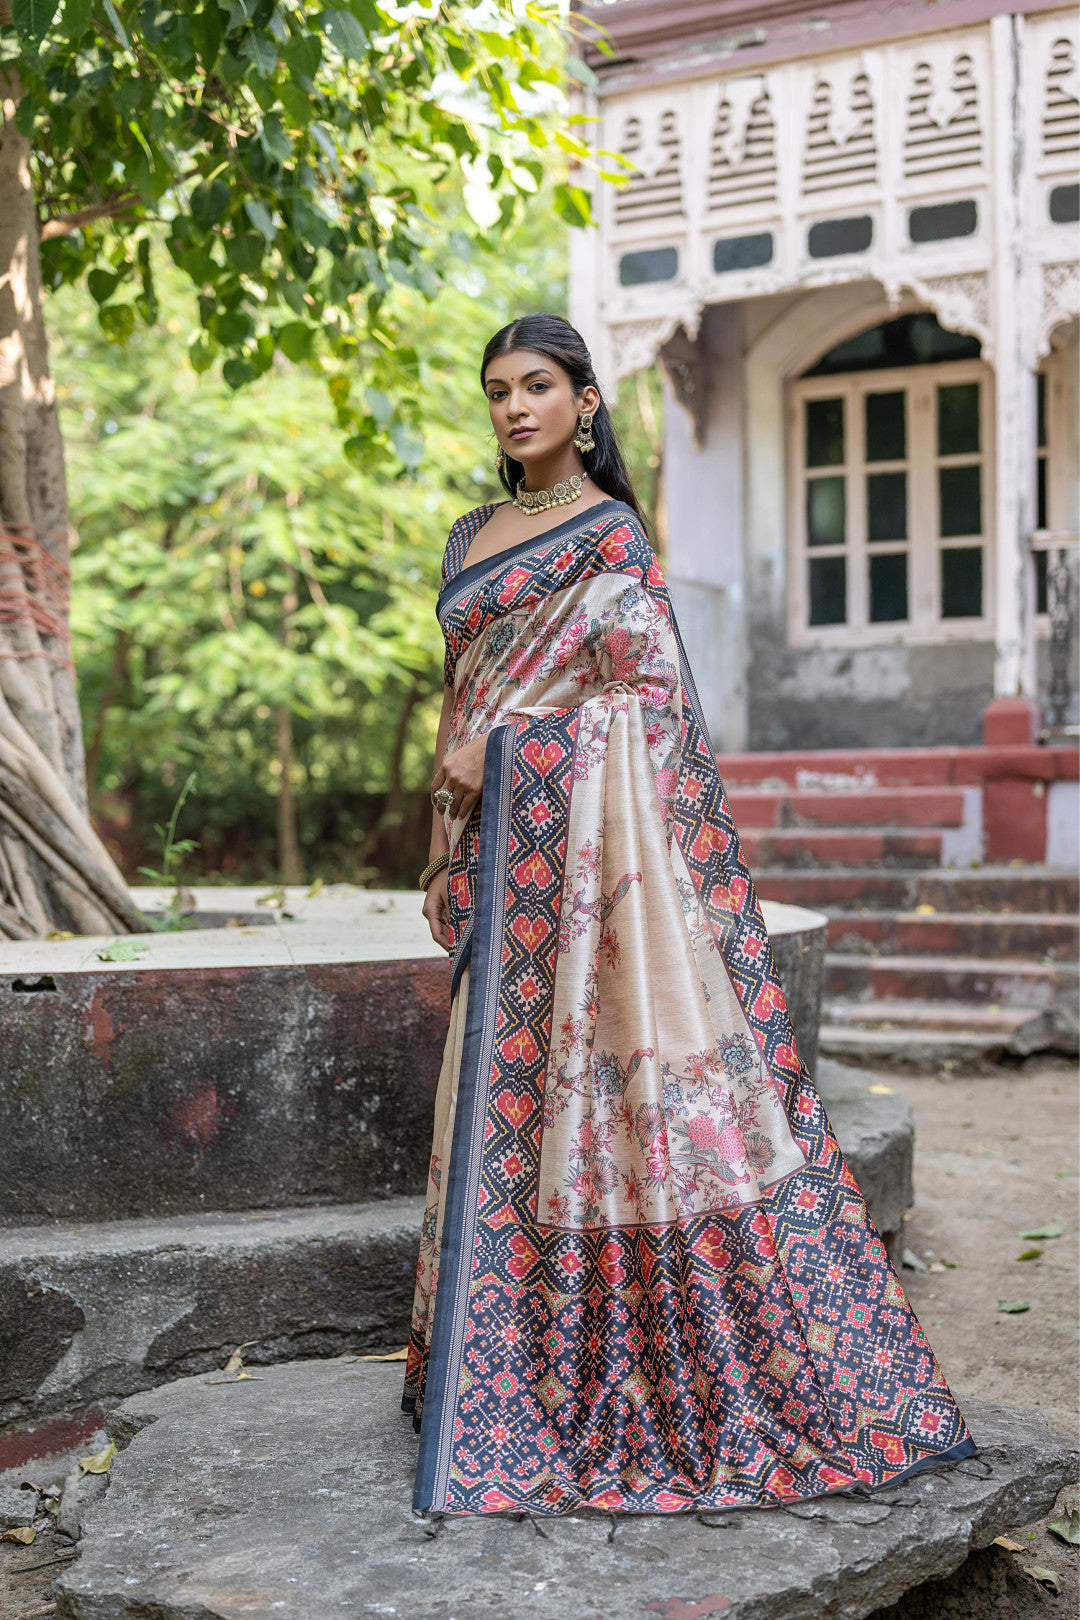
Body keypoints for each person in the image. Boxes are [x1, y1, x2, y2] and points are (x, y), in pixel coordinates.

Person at [402, 313, 974, 1517]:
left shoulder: (609, 537)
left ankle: (603, 1362)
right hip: (503, 855)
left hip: (584, 865)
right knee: (484, 1092)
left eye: (539, 386)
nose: (515, 408)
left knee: (605, 1100)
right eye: (498, 388)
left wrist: (500, 754)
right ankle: (485, 1357)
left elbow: (643, 709)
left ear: (587, 401)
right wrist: (458, 794)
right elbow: (466, 684)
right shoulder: (471, 535)